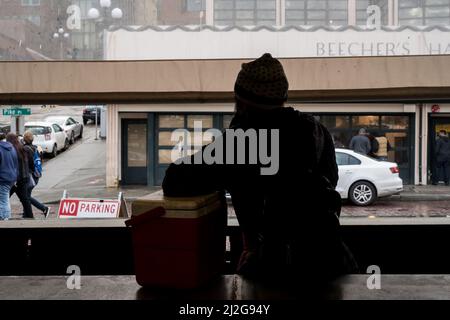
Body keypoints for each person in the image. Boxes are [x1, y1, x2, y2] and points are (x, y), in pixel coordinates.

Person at [162, 53, 358, 285]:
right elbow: (328, 183)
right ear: (283, 96)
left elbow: (175, 180)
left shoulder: (243, 140)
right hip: (331, 260)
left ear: (242, 100)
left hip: (276, 268)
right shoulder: (316, 130)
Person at [22, 131, 50, 218]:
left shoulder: (26, 149)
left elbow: (27, 164)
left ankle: (44, 208)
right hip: (36, 175)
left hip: (30, 176)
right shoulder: (35, 148)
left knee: (25, 196)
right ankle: (26, 214)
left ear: (24, 139)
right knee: (27, 195)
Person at [7, 133, 33, 219]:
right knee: (24, 198)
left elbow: (14, 166)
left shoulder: (13, 150)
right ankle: (30, 216)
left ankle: (5, 215)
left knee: (4, 197)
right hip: (24, 177)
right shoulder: (22, 147)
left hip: (16, 179)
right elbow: (29, 162)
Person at [0, 133, 18, 220]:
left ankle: (5, 219)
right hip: (11, 177)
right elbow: (16, 163)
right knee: (4, 199)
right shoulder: (11, 148)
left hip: (2, 178)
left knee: (3, 201)